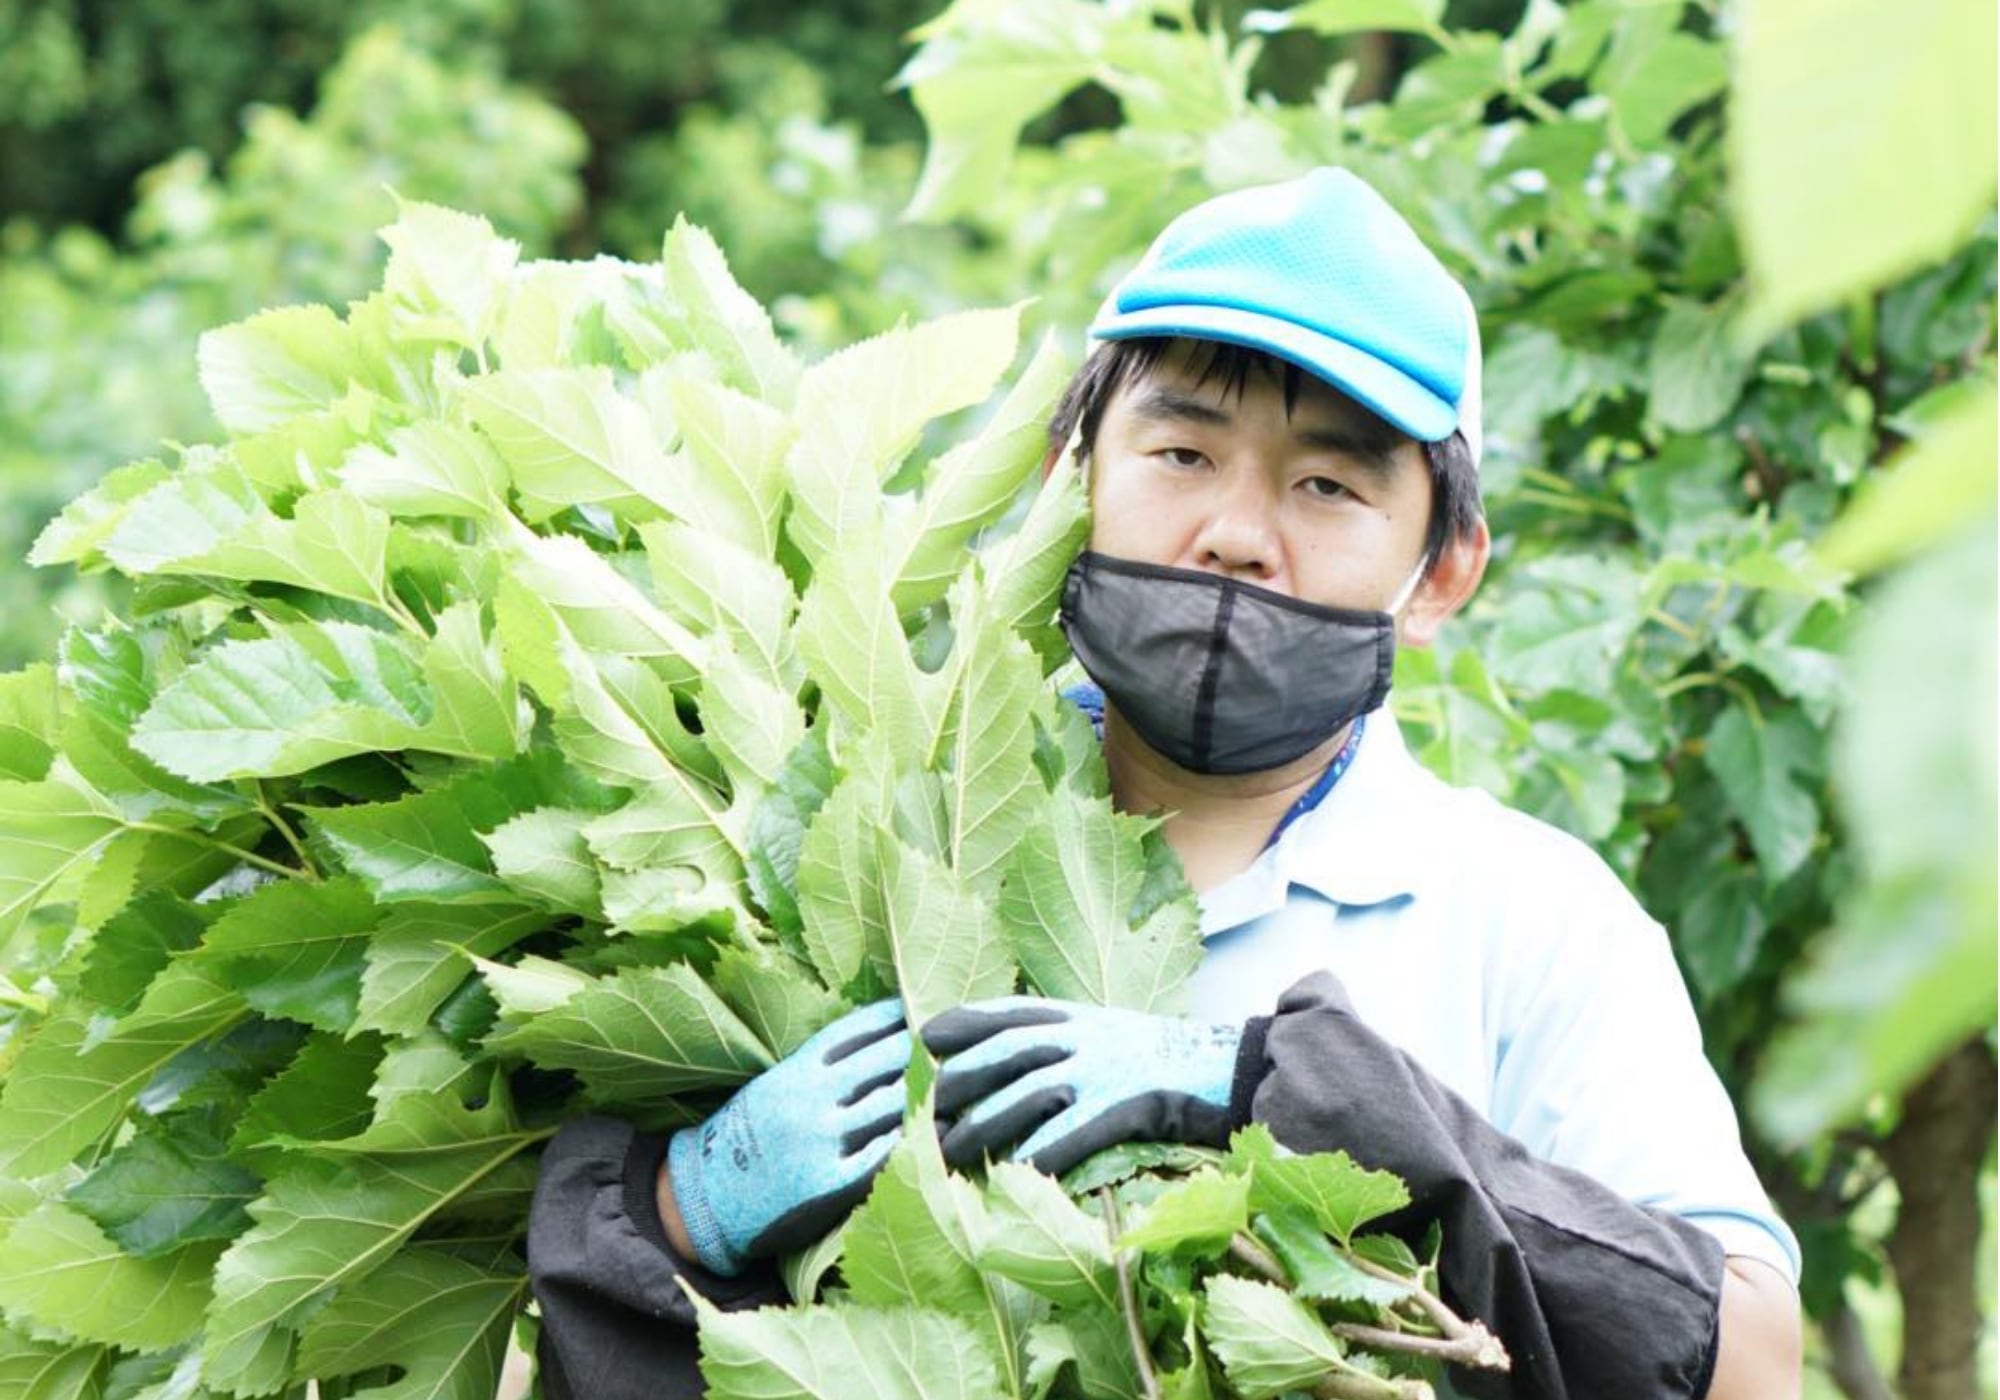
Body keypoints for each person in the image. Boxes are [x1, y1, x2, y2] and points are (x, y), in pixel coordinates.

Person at [527, 168, 1804, 1399]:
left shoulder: (1527, 919)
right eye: (1183, 452)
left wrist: (1280, 1093)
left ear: (1444, 570)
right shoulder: (865, 826)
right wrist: (680, 1206)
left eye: (1326, 483)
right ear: (1065, 476)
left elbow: (1747, 1362)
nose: (1236, 535)